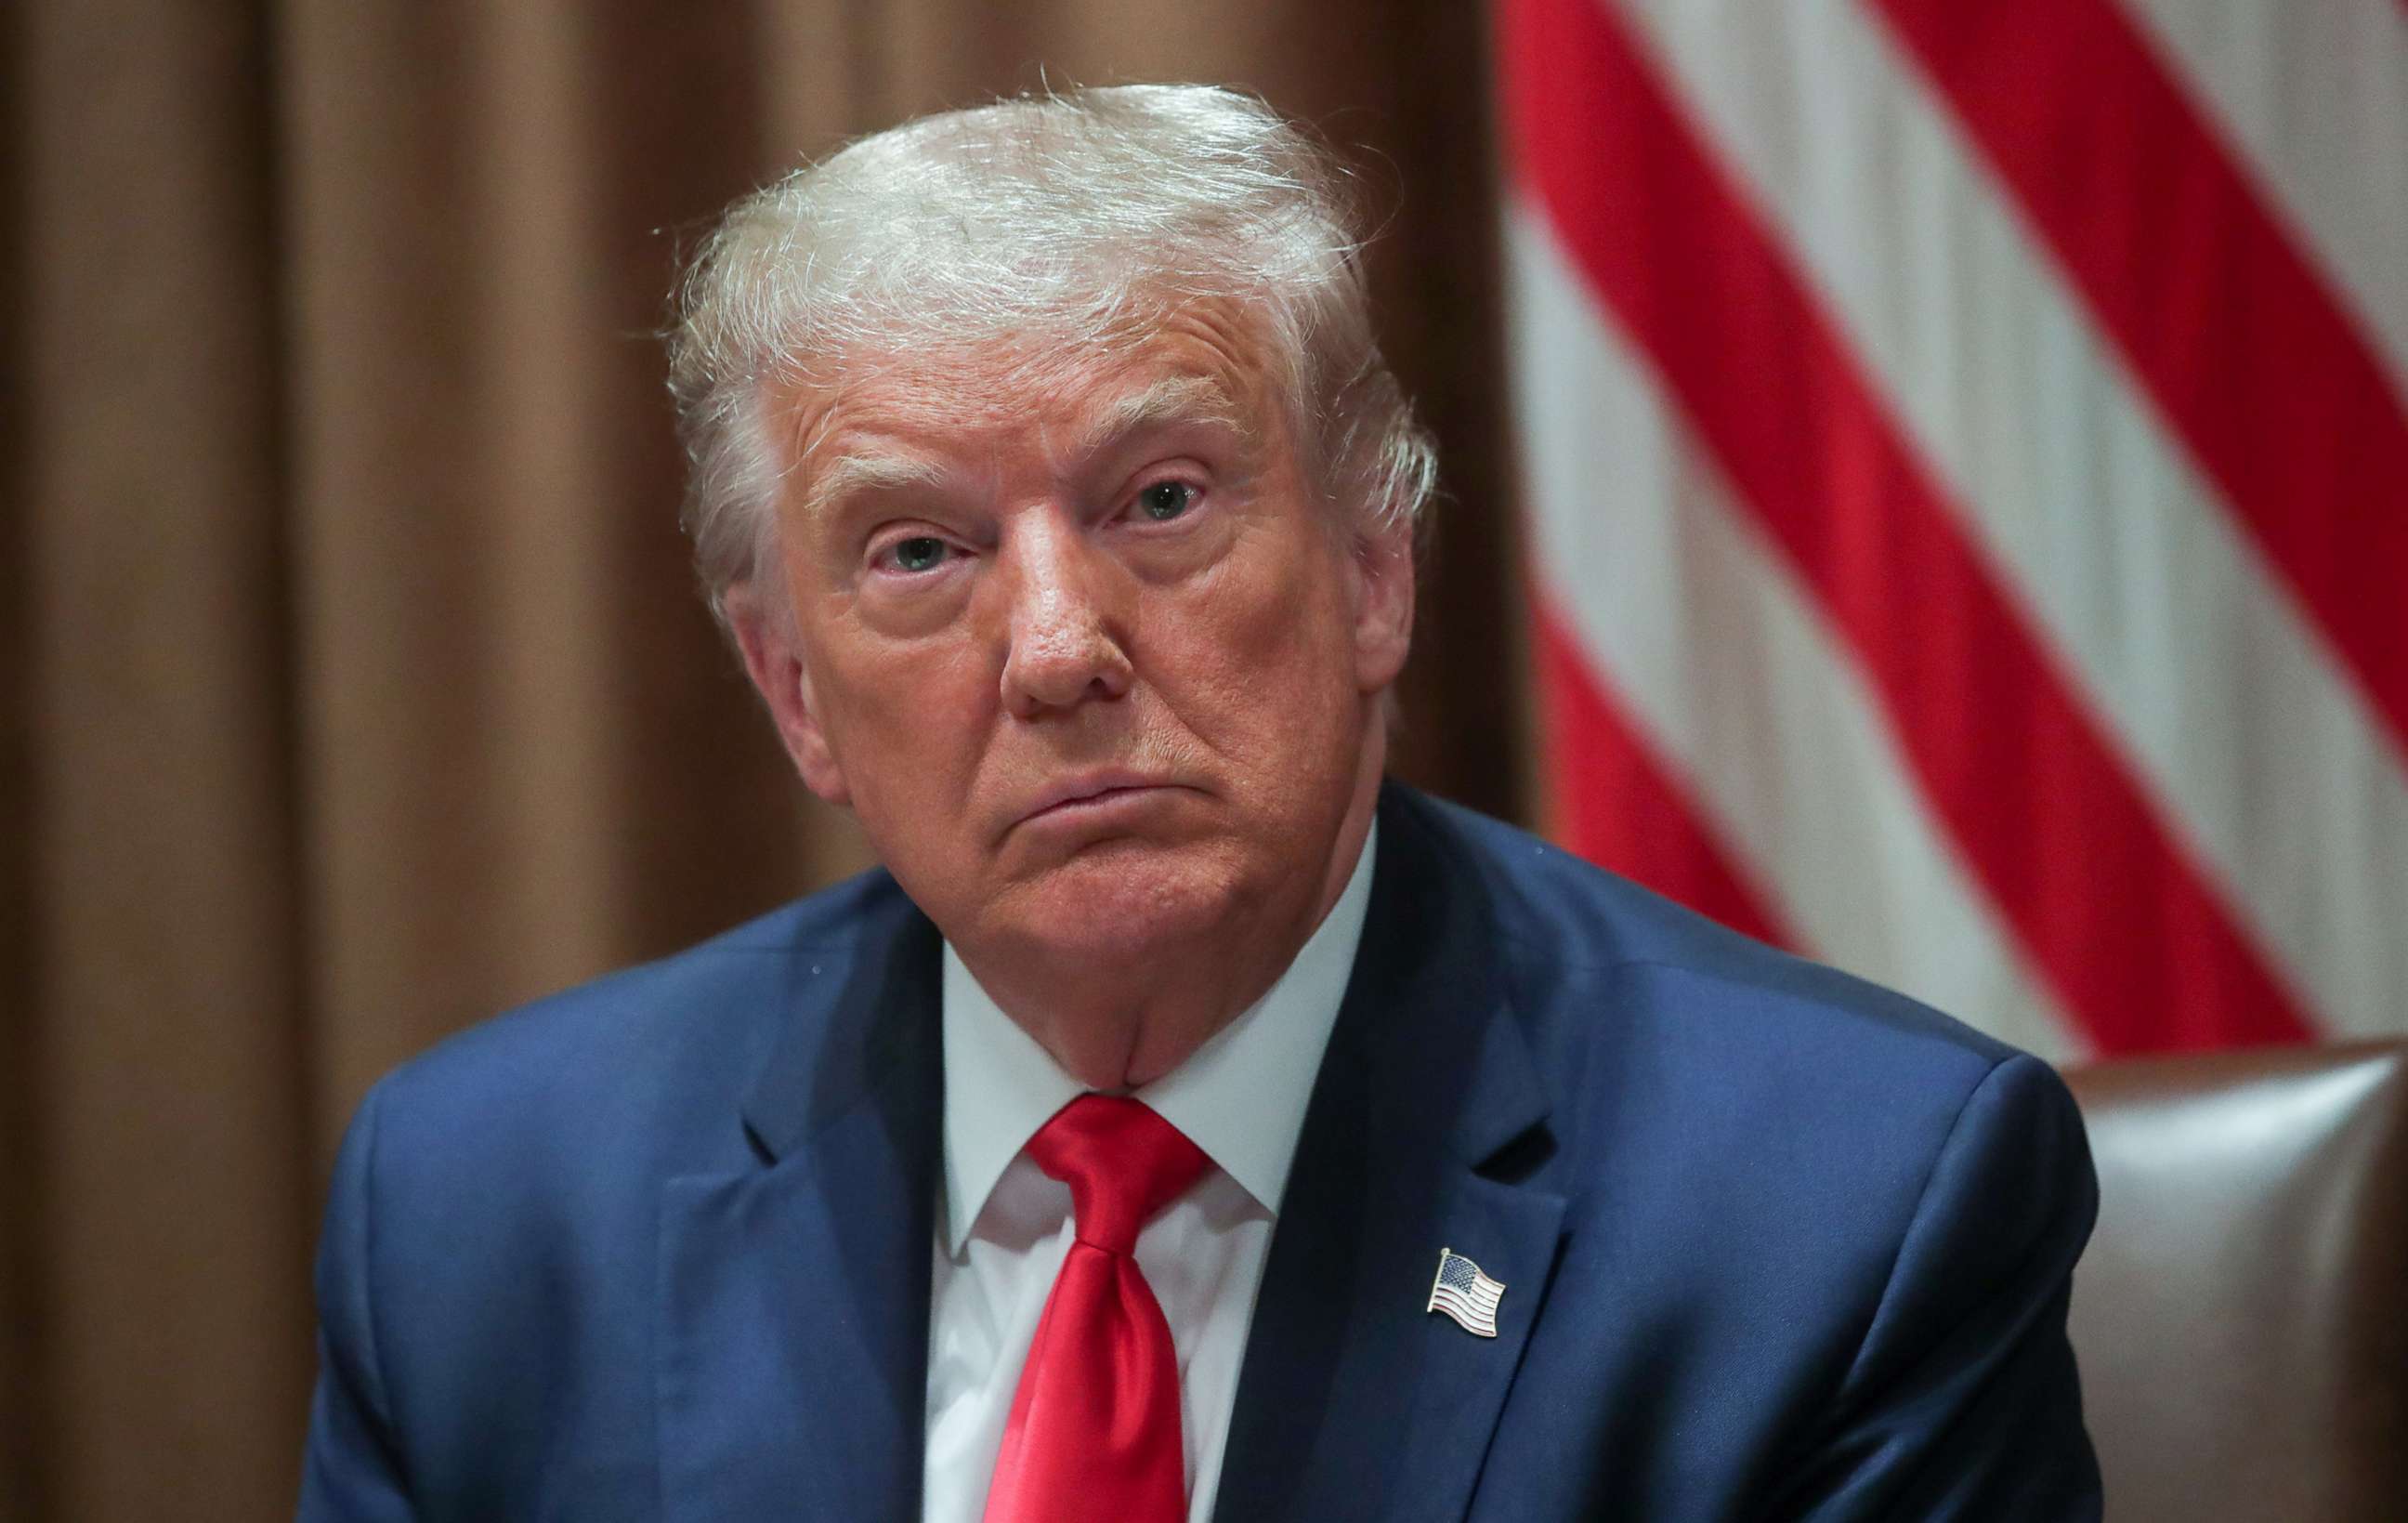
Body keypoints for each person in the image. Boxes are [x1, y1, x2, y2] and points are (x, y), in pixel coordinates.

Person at [299, 85, 2100, 1522]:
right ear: (794, 693)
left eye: (1160, 499)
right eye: (918, 551)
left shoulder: (1844, 1215)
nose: (1059, 649)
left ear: (1376, 564)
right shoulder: (488, 1212)